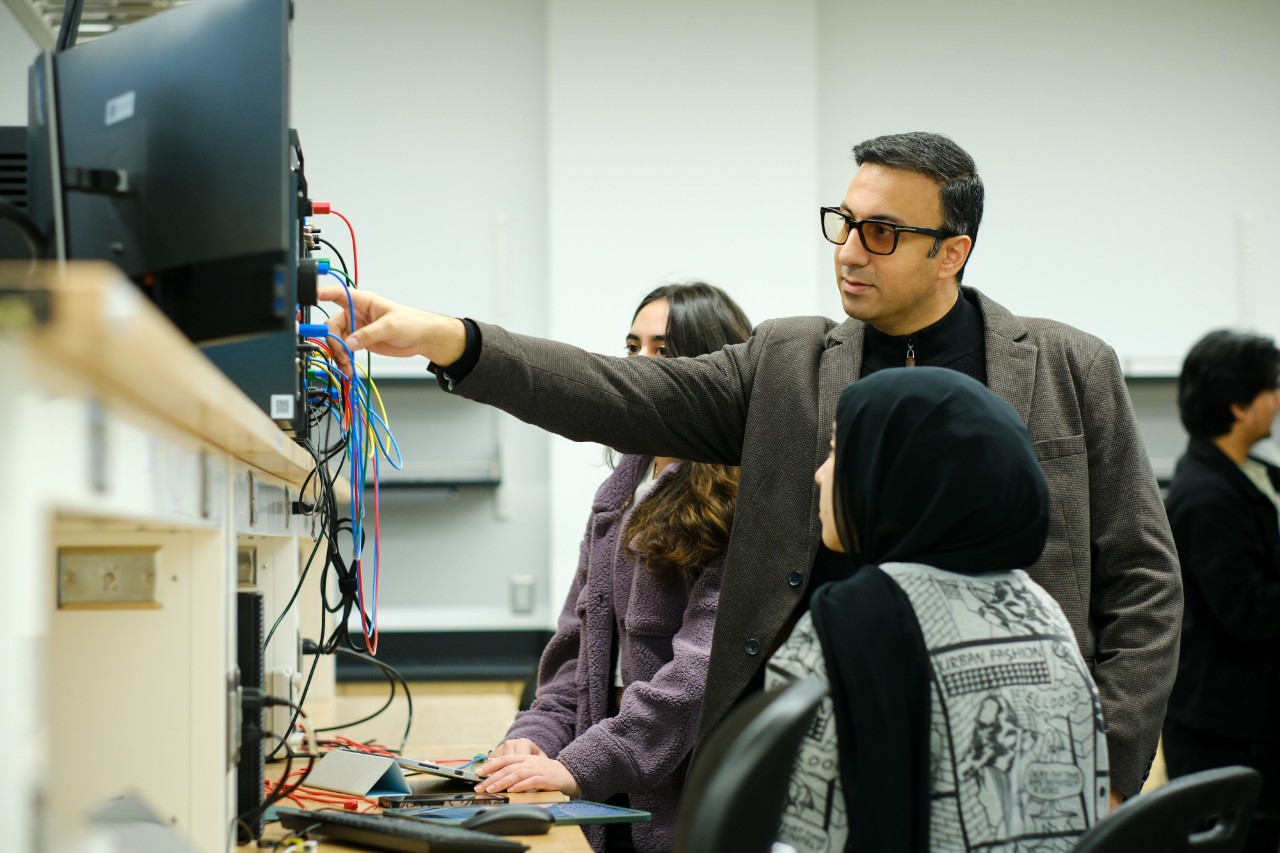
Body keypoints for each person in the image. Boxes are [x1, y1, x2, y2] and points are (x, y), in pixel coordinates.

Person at [315, 131, 1181, 803]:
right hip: (824, 749)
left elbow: (1144, 578)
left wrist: (1105, 761)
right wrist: (454, 341)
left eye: (880, 232)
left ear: (951, 251)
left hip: (1017, 745)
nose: (848, 250)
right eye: (843, 223)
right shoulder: (787, 364)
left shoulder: (1070, 367)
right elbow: (619, 392)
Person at [767, 367, 1109, 852]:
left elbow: (798, 834)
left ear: (896, 475)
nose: (819, 473)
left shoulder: (846, 625)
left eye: (838, 451)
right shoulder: (1039, 608)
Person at [469, 283, 752, 853]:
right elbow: (573, 659)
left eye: (663, 352)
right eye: (632, 348)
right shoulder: (618, 497)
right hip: (604, 786)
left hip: (686, 810)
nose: (640, 368)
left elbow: (698, 678)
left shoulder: (742, 504)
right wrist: (530, 744)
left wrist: (578, 766)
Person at [1162, 329, 1280, 853]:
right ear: (1237, 403)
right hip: (1222, 726)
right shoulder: (1205, 496)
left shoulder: (1256, 474)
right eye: (1269, 388)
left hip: (1254, 718)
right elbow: (1249, 613)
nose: (1277, 399)